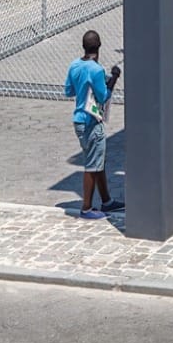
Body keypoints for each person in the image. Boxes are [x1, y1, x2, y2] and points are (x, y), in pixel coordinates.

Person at [64, 29, 123, 219]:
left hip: (78, 120)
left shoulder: (74, 65)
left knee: (98, 161)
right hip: (91, 122)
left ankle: (107, 201)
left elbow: (69, 91)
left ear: (83, 46)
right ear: (98, 47)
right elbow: (103, 96)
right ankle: (87, 208)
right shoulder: (97, 70)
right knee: (92, 164)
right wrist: (113, 78)